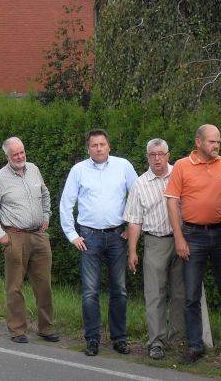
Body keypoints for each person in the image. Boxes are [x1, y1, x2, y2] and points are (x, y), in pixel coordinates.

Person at [59, 129, 137, 356]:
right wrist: (72, 235)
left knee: (119, 290)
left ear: (109, 146)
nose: (99, 148)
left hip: (117, 236)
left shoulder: (123, 166)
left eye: (102, 144)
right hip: (89, 237)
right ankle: (92, 339)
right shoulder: (79, 170)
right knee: (90, 292)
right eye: (94, 145)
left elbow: (137, 197)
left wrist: (130, 228)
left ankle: (119, 338)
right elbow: (66, 203)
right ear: (88, 149)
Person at [165, 124, 221, 363]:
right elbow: (172, 203)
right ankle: (195, 346)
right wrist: (179, 238)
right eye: (212, 142)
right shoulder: (183, 166)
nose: (216, 146)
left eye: (218, 141)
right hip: (192, 236)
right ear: (198, 142)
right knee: (191, 294)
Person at [0, 137, 58, 344]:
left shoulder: (33, 169)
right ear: (7, 156)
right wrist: (1, 235)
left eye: (22, 152)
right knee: (14, 286)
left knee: (44, 285)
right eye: (15, 154)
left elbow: (45, 194)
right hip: (15, 236)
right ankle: (17, 330)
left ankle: (46, 328)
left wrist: (46, 216)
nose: (20, 156)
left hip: (39, 235)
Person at [124, 138, 184, 360]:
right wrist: (132, 251)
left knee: (181, 292)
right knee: (154, 294)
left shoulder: (180, 173)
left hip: (181, 240)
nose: (157, 158)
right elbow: (134, 220)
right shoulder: (140, 184)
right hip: (155, 241)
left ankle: (178, 338)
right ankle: (156, 342)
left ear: (168, 155)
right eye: (153, 154)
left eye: (161, 153)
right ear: (147, 156)